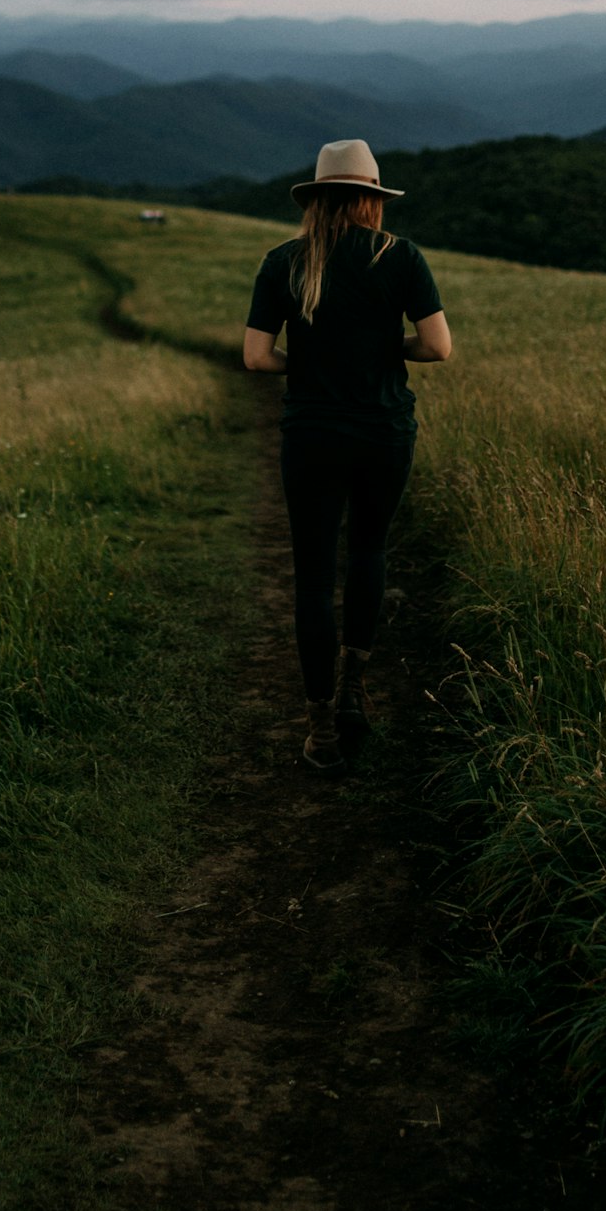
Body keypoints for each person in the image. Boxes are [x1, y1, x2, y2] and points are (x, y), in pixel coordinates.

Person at [242, 138, 452, 774]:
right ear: (371, 199)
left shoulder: (283, 262)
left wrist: (305, 367)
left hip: (311, 436)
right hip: (384, 432)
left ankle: (319, 726)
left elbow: (255, 357)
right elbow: (438, 348)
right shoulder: (401, 256)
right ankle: (357, 688)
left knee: (312, 575)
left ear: (317, 200)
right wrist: (387, 356)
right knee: (368, 552)